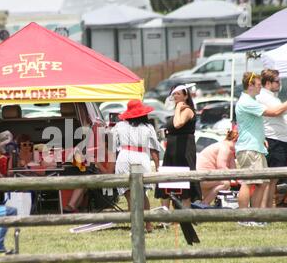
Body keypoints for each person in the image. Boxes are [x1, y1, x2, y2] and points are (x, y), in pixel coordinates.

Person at [235, 72, 287, 212]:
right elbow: (274, 112)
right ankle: (243, 216)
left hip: (256, 147)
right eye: (257, 85)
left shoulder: (252, 100)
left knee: (261, 183)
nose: (260, 88)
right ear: (250, 85)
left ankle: (255, 216)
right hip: (249, 148)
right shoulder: (247, 102)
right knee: (248, 183)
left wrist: (262, 140)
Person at [112, 99, 160, 232]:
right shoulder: (148, 127)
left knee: (128, 194)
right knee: (142, 193)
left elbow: (111, 146)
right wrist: (157, 166)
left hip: (123, 157)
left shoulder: (119, 126)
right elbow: (154, 149)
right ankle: (148, 225)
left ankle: (136, 226)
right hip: (140, 158)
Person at [256, 69, 287, 208]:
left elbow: (286, 112)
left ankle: (269, 211)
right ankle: (265, 211)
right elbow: (276, 111)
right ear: (268, 83)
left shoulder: (273, 97)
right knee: (269, 180)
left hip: (280, 141)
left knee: (273, 180)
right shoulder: (264, 96)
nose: (279, 84)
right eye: (277, 81)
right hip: (274, 140)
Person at [155, 85, 201, 209]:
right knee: (166, 183)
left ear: (185, 96)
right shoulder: (176, 111)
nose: (175, 96)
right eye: (174, 94)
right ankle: (165, 216)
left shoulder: (187, 110)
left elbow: (178, 124)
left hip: (184, 150)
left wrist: (179, 107)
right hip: (171, 150)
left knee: (185, 186)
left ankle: (185, 215)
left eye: (178, 94)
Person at [63, 133, 116, 213]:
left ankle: (72, 206)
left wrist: (97, 163)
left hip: (107, 180)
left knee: (84, 179)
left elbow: (109, 174)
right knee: (83, 181)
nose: (98, 144)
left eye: (100, 142)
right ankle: (73, 207)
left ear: (105, 143)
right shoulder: (99, 153)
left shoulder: (111, 155)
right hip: (97, 177)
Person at [197, 130, 238, 205]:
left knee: (223, 183)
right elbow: (221, 167)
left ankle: (204, 206)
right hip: (204, 177)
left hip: (205, 176)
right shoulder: (225, 148)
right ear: (235, 140)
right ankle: (204, 203)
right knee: (225, 183)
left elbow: (234, 170)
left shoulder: (229, 150)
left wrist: (240, 179)